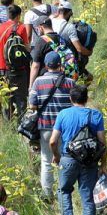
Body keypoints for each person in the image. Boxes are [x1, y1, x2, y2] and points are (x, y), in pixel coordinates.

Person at [51, 85, 107, 215]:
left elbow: (52, 141)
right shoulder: (96, 115)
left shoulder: (63, 114)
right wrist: (103, 164)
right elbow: (102, 144)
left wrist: (57, 156)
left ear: (70, 98)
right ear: (87, 99)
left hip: (68, 159)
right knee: (88, 198)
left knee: (64, 191)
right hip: (89, 161)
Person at [28, 51, 76, 199]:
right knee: (66, 160)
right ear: (60, 65)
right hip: (66, 129)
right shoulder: (70, 83)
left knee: (46, 161)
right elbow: (76, 103)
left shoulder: (38, 82)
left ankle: (47, 194)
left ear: (46, 65)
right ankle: (64, 192)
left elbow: (32, 106)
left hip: (46, 127)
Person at [0, 4, 30, 118]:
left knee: (6, 99)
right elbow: (27, 48)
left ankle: (8, 123)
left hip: (2, 69)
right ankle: (21, 125)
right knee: (21, 99)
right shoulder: (21, 28)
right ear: (18, 15)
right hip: (18, 69)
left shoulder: (0, 27)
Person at [51, 2, 93, 78]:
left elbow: (52, 15)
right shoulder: (69, 27)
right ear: (69, 12)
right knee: (89, 78)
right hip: (64, 61)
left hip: (50, 57)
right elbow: (79, 48)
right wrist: (89, 52)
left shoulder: (50, 20)